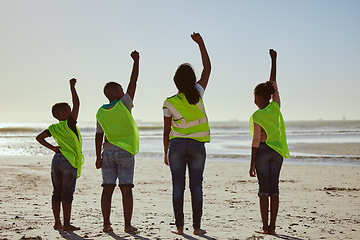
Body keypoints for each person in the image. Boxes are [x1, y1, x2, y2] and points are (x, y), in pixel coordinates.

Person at [163, 32, 211, 236]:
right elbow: (208, 68)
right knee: (196, 187)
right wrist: (201, 44)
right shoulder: (198, 93)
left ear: (175, 82)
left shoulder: (169, 102)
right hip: (197, 146)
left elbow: (166, 131)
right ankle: (197, 227)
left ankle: (180, 228)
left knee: (177, 187)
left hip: (176, 146)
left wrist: (166, 151)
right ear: (192, 80)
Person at [95, 50, 140, 233]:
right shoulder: (124, 104)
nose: (124, 91)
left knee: (107, 189)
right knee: (126, 189)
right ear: (115, 92)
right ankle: (127, 225)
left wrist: (98, 157)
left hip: (107, 153)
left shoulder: (101, 112)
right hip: (125, 152)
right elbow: (134, 81)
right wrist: (136, 61)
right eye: (120, 89)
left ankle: (106, 225)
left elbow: (99, 135)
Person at [249, 49, 290, 235]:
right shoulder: (276, 106)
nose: (254, 100)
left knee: (263, 190)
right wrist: (274, 61)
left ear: (259, 97)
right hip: (277, 152)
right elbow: (273, 84)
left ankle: (265, 227)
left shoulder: (257, 115)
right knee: (274, 188)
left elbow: (256, 140)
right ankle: (273, 227)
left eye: (255, 96)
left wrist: (251, 163)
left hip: (263, 152)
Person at [36, 78, 84, 231]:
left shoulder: (53, 127)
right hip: (68, 161)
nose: (73, 111)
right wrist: (72, 87)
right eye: (70, 110)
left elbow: (39, 138)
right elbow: (77, 104)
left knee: (56, 192)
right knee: (67, 193)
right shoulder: (69, 123)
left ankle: (57, 222)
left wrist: (52, 148)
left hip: (56, 159)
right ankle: (67, 224)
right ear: (64, 113)